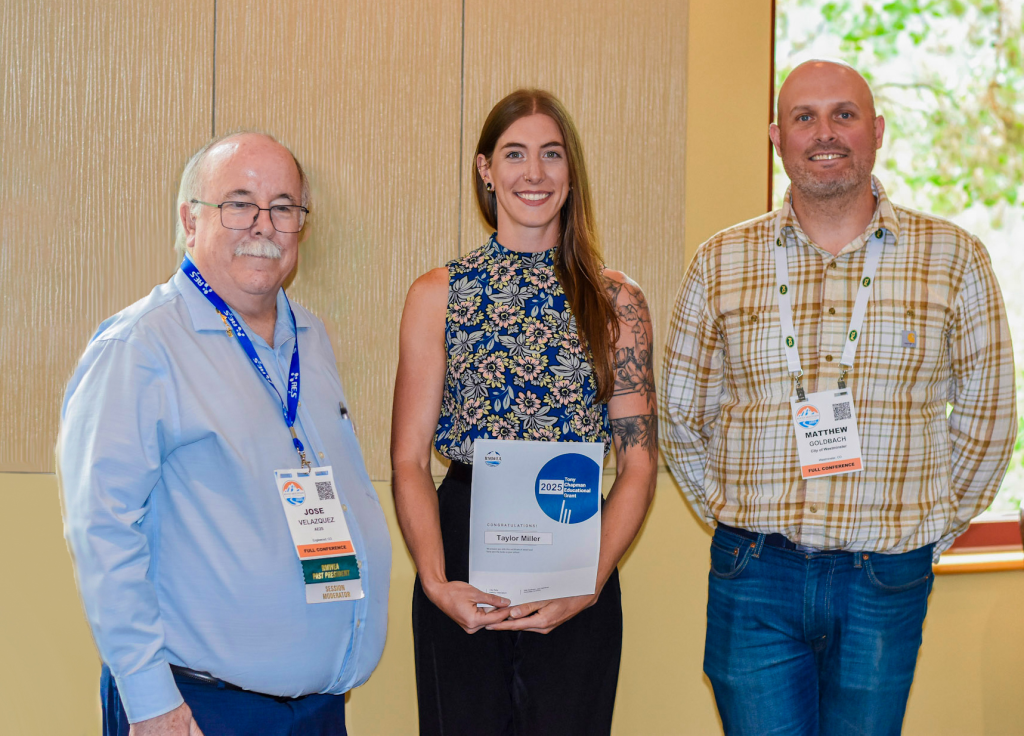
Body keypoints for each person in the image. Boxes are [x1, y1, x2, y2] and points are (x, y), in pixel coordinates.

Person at [660, 59, 1017, 736]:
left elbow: (989, 417)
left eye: (844, 114)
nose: (825, 132)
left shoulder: (954, 258)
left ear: (876, 130)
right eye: (805, 116)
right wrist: (734, 514)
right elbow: (681, 412)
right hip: (755, 574)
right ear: (777, 136)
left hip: (885, 580)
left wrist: (927, 530)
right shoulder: (720, 261)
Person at [59, 132, 391, 736]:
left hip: (315, 710)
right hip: (198, 711)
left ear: (301, 228)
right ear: (191, 220)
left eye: (283, 206)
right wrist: (150, 700)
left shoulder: (310, 339)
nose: (262, 224)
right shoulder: (141, 348)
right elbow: (103, 531)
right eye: (238, 203)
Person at [391, 89, 658, 736]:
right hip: (461, 551)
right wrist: (435, 582)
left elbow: (640, 463)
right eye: (514, 154)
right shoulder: (439, 294)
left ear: (571, 172)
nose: (533, 174)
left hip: (574, 545)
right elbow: (406, 459)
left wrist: (590, 584)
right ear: (486, 170)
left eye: (551, 155)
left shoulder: (617, 300)